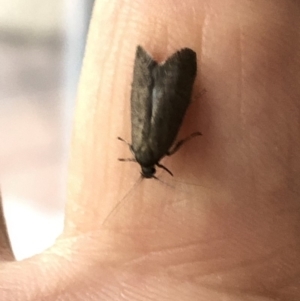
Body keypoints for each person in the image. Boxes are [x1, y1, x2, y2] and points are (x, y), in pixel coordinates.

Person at [1, 1, 300, 300]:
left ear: (151, 166)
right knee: (152, 112)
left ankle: (153, 70)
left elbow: (175, 135)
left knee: (160, 114)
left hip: (162, 100)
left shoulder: (161, 151)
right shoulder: (142, 150)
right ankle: (150, 68)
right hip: (153, 99)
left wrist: (187, 135)